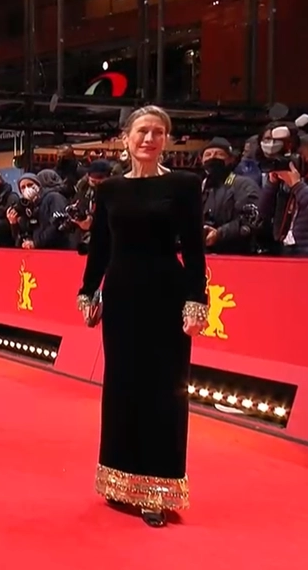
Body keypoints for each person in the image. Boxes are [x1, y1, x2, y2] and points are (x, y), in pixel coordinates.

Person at [77, 104, 208, 528]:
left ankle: (158, 488)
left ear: (165, 140)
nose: (149, 139)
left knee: (165, 390)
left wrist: (196, 299)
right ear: (125, 139)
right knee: (122, 386)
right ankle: (118, 478)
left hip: (166, 296)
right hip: (121, 296)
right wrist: (87, 290)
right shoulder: (110, 190)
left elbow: (193, 248)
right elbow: (99, 246)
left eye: (157, 132)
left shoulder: (185, 185)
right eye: (142, 132)